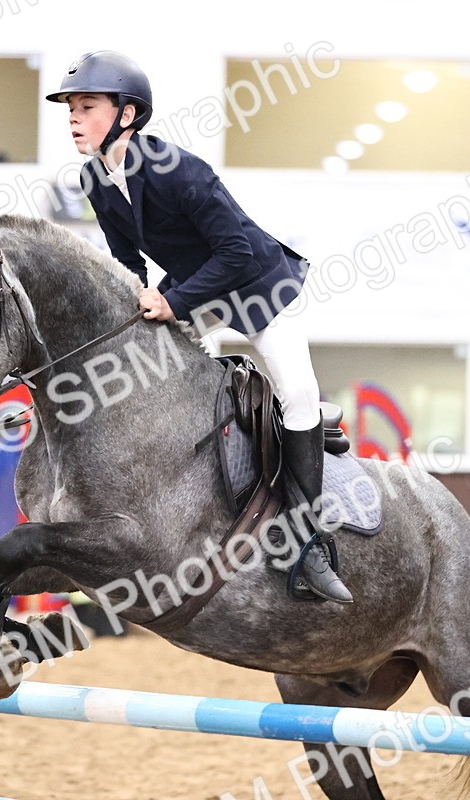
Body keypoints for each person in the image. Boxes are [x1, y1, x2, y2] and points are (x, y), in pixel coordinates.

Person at [46, 51, 352, 604]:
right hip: (197, 288)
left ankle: (308, 541)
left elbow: (235, 251)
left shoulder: (181, 170)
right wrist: (132, 307)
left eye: (86, 107)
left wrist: (174, 302)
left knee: (300, 397)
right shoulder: (95, 177)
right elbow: (126, 261)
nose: (73, 118)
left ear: (128, 114)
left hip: (259, 287)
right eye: (71, 108)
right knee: (166, 378)